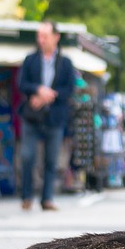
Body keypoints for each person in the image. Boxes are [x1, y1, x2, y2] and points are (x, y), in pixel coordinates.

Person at [17, 20, 78, 211]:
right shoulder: (31, 59)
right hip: (32, 115)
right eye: (39, 36)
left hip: (55, 116)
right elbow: (22, 83)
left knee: (51, 160)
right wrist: (37, 90)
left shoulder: (65, 63)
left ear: (56, 37)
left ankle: (47, 198)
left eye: (45, 36)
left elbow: (69, 89)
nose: (41, 40)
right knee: (27, 156)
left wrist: (48, 96)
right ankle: (27, 196)